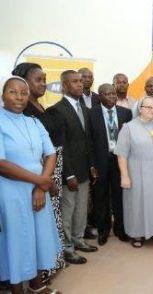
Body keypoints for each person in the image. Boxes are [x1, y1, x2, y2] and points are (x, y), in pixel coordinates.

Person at [0, 76, 61, 294]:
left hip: (37, 191)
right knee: (16, 239)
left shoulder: (34, 122)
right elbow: (2, 164)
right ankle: (16, 288)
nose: (19, 97)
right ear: (3, 95)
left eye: (23, 93)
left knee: (36, 237)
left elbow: (50, 153)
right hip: (11, 191)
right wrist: (41, 182)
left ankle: (36, 286)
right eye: (13, 92)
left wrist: (40, 188)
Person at [12, 62, 66, 279]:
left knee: (51, 221)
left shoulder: (41, 106)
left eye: (45, 79)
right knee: (38, 224)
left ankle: (50, 263)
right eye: (39, 79)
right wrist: (42, 182)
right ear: (24, 82)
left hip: (52, 168)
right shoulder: (23, 111)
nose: (44, 84)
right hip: (38, 175)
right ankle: (39, 273)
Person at [48, 70, 98, 264]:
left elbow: (88, 141)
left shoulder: (85, 109)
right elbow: (60, 146)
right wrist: (68, 174)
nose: (80, 84)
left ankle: (78, 240)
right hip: (69, 174)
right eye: (75, 82)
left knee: (81, 210)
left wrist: (92, 165)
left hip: (85, 170)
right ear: (64, 86)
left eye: (80, 82)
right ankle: (67, 248)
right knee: (67, 212)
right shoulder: (56, 110)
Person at [115, 97, 153, 248]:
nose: (152, 110)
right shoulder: (128, 128)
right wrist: (124, 175)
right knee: (138, 203)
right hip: (137, 173)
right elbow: (121, 154)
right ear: (140, 108)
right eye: (148, 107)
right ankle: (137, 233)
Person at [90, 84, 132, 245]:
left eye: (113, 94)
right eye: (107, 94)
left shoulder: (126, 113)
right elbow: (90, 141)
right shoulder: (91, 113)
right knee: (100, 196)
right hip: (100, 161)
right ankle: (103, 230)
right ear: (100, 96)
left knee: (119, 196)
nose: (111, 97)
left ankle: (120, 229)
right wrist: (92, 164)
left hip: (120, 160)